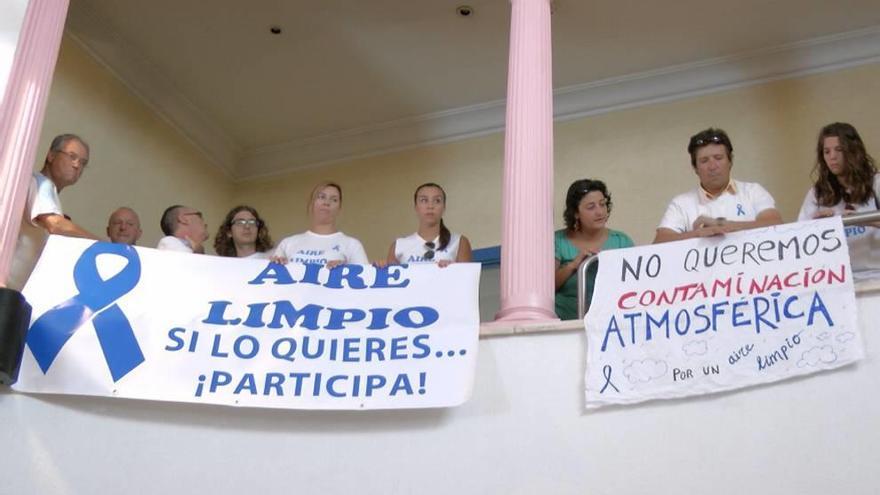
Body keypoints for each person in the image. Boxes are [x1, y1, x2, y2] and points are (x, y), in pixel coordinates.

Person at [653, 128, 783, 243]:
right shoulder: (681, 203)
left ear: (730, 161)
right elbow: (659, 242)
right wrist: (697, 234)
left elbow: (775, 224)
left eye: (718, 158)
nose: (712, 166)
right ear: (695, 168)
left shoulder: (753, 191)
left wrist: (722, 224)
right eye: (704, 161)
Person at [9, 134, 100, 290]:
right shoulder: (41, 183)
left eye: (83, 163)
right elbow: (56, 224)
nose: (77, 165)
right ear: (51, 155)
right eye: (72, 156)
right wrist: (102, 244)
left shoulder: (50, 195)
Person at [798, 122, 880, 270]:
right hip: (839, 280)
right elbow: (799, 240)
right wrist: (817, 226)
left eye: (839, 150)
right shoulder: (816, 193)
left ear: (854, 151)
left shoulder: (877, 183)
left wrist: (865, 219)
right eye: (827, 152)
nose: (832, 157)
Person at [555, 179, 634, 319]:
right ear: (576, 213)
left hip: (610, 323)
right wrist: (573, 265)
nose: (599, 212)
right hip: (565, 325)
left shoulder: (621, 241)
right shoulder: (558, 241)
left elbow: (636, 286)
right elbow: (545, 289)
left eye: (602, 204)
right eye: (591, 207)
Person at [272, 181, 368, 267]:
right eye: (322, 197)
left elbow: (365, 280)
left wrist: (345, 271)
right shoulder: (288, 243)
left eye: (334, 199)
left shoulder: (352, 245)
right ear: (312, 203)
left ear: (339, 208)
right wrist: (276, 264)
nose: (327, 202)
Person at [384, 183, 473, 266]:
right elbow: (389, 281)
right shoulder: (399, 245)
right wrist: (379, 267)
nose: (430, 206)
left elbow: (466, 279)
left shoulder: (459, 242)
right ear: (416, 207)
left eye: (437, 201)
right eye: (424, 200)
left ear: (444, 207)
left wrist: (453, 270)